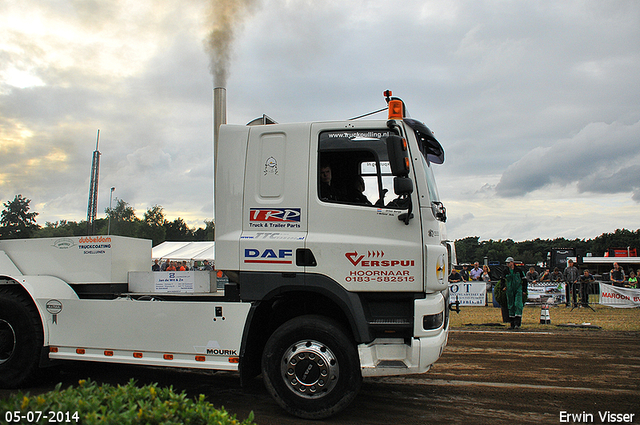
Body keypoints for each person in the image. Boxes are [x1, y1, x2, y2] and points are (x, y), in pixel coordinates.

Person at [500, 257, 528, 329]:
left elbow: (524, 280)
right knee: (511, 305)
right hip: (509, 290)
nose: (507, 264)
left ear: (512, 262)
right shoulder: (505, 271)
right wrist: (503, 287)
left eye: (508, 263)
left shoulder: (519, 270)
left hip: (518, 289)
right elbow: (502, 279)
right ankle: (512, 324)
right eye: (507, 263)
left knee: (518, 305)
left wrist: (524, 290)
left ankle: (517, 323)